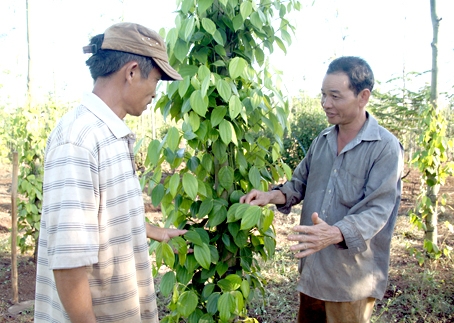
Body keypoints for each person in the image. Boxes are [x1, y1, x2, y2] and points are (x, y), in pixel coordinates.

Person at [34, 22, 185, 323]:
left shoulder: (109, 134)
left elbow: (102, 217)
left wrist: (151, 231)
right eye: (155, 80)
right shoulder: (79, 140)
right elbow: (69, 262)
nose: (155, 92)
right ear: (131, 72)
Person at [240, 56, 403, 323]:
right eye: (323, 95)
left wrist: (336, 232)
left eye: (335, 96)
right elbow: (299, 185)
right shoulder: (323, 140)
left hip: (350, 279)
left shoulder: (385, 147)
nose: (326, 104)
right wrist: (271, 195)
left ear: (363, 96)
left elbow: (378, 209)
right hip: (313, 270)